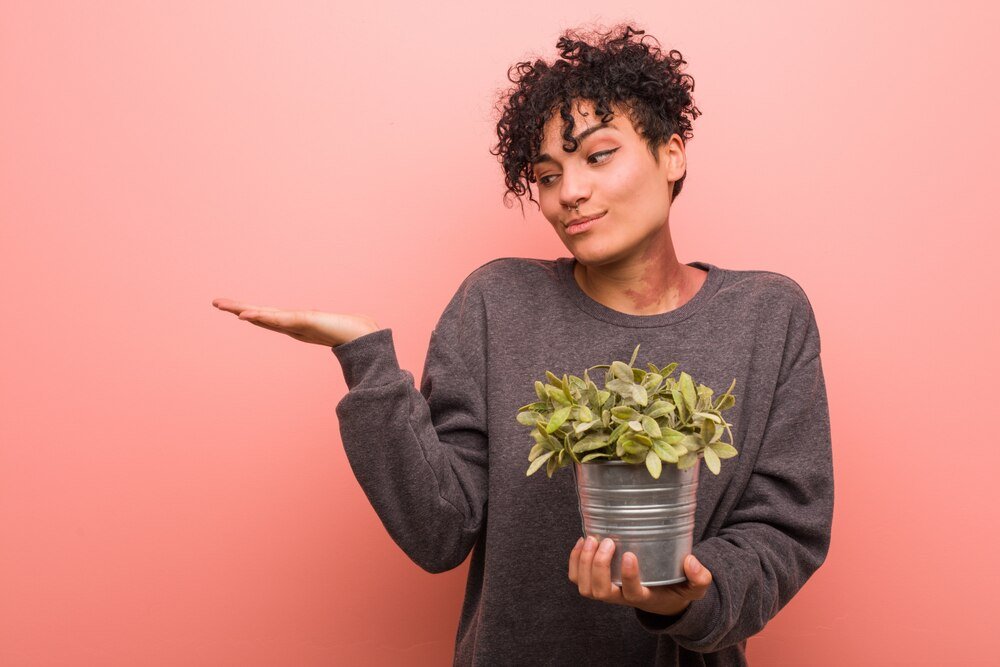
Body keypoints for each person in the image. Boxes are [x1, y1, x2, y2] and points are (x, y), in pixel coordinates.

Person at [212, 23, 833, 666]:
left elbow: (785, 529)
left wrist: (681, 596)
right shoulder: (497, 303)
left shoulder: (767, 316)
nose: (570, 193)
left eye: (598, 156)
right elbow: (439, 531)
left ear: (672, 154)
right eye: (547, 174)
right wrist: (367, 360)